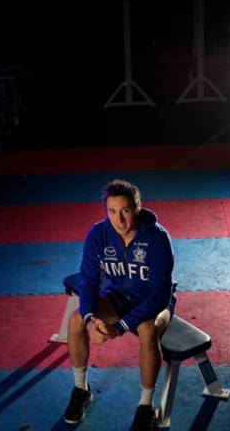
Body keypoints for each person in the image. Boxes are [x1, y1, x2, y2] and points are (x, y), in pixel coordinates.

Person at [63, 179, 177, 430]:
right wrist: (91, 318)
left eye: (125, 210)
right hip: (117, 296)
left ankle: (146, 406)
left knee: (147, 330)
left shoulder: (158, 238)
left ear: (137, 208)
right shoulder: (98, 234)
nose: (119, 219)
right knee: (75, 320)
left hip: (154, 302)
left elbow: (159, 295)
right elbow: (89, 282)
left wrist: (121, 326)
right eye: (112, 211)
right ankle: (81, 390)